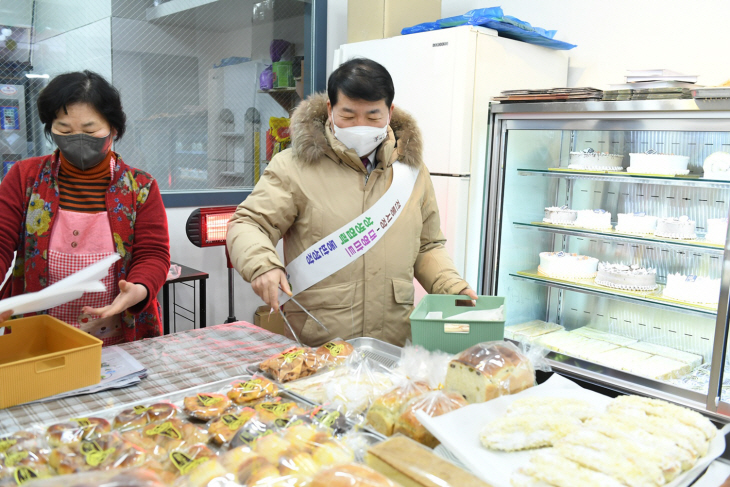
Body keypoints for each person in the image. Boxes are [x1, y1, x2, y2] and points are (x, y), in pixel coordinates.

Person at [227, 58, 476, 346]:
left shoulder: (411, 172)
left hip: (393, 341)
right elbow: (248, 223)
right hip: (320, 343)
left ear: (390, 112)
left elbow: (428, 245)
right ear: (330, 110)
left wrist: (451, 287)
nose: (360, 126)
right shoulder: (294, 167)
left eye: (372, 117)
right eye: (348, 115)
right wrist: (262, 265)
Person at [0, 70, 170, 345]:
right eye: (64, 130)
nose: (77, 139)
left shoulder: (140, 187)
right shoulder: (25, 178)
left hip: (117, 332)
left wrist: (137, 289)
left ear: (113, 129)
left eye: (90, 131)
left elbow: (153, 254)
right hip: (36, 334)